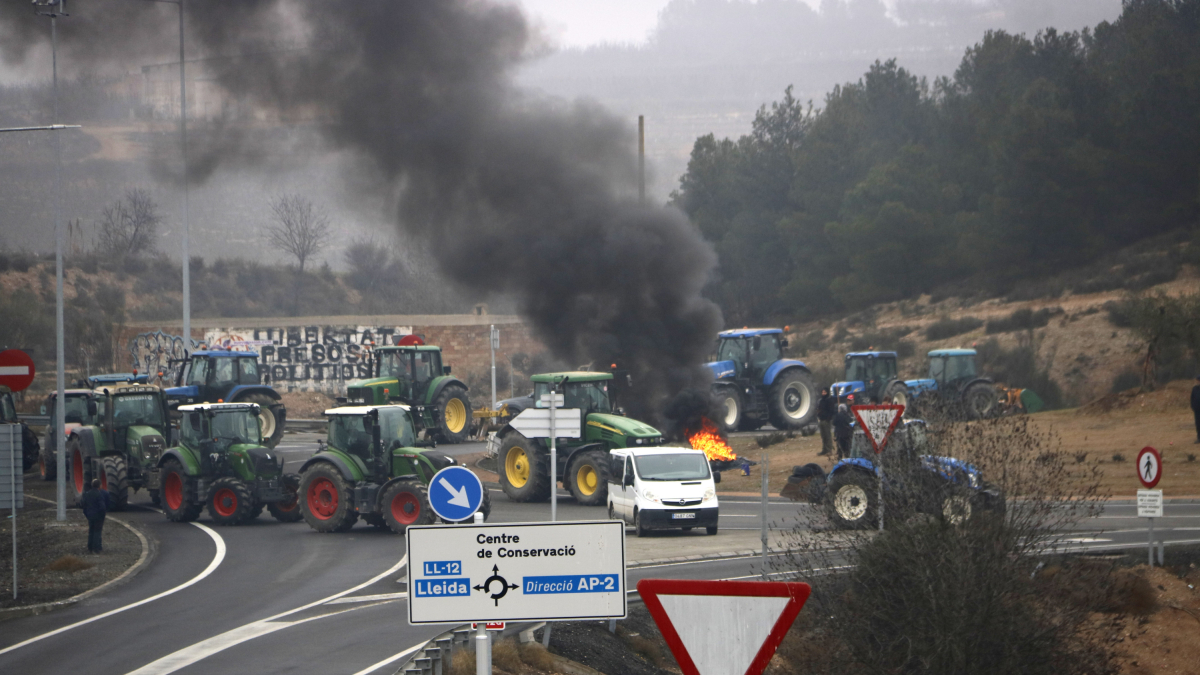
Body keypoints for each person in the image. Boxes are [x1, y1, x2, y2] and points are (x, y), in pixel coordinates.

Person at [81, 478, 108, 554]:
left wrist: (87, 514)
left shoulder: (87, 494)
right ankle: (96, 548)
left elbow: (83, 505)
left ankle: (90, 547)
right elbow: (102, 507)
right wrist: (102, 516)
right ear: (99, 486)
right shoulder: (99, 494)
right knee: (97, 532)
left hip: (90, 515)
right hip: (98, 516)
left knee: (91, 531)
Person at [816, 388, 837, 456]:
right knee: (823, 436)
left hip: (826, 421)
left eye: (824, 392)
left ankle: (829, 450)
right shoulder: (821, 401)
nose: (823, 393)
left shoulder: (830, 400)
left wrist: (828, 419)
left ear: (827, 392)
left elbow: (831, 411)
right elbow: (819, 409)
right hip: (821, 420)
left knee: (828, 436)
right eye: (822, 392)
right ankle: (824, 450)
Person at [1192, 375, 1200, 444]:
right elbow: (1192, 398)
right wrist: (1193, 407)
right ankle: (1199, 438)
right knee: (1198, 424)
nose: (1197, 382)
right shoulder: (1195, 389)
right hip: (1197, 410)